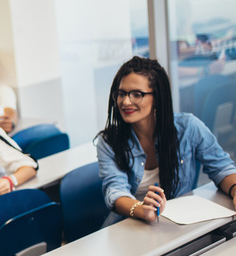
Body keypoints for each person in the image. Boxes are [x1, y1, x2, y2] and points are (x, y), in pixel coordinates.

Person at [96, 56, 236, 223]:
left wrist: (235, 190)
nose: (126, 101)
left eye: (136, 94)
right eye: (121, 94)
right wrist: (142, 209)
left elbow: (222, 168)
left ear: (157, 97)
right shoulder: (109, 141)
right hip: (128, 226)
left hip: (176, 225)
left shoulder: (188, 128)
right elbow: (115, 192)